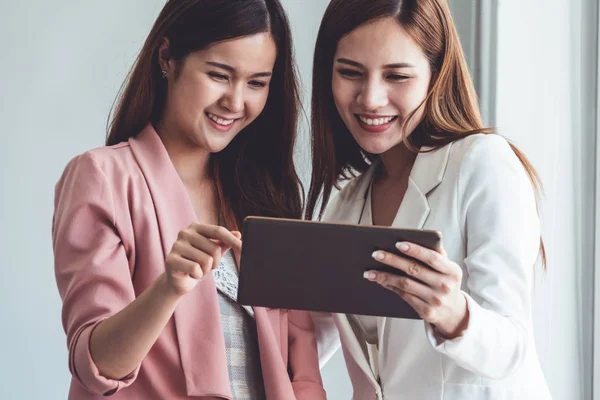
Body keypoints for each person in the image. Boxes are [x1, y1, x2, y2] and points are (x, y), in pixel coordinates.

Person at [52, 1, 325, 399]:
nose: (235, 102)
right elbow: (97, 365)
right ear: (167, 58)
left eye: (257, 82)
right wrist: (168, 288)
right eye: (219, 74)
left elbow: (303, 371)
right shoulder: (103, 178)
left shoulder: (265, 195)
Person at [307, 0, 552, 398]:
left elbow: (513, 349)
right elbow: (301, 347)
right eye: (350, 72)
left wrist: (452, 312)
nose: (370, 98)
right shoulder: (345, 204)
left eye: (397, 76)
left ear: (435, 76)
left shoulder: (481, 163)